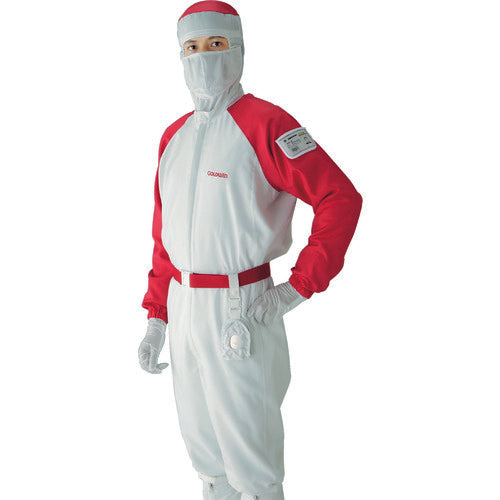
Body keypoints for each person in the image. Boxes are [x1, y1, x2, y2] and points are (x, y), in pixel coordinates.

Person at [138, 1, 363, 498]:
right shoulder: (173, 137)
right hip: (183, 303)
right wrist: (157, 316)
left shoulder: (267, 124)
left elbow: (339, 197)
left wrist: (299, 286)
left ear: (238, 49)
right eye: (191, 47)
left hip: (241, 306)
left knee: (250, 457)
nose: (203, 56)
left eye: (215, 44)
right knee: (206, 454)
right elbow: (164, 235)